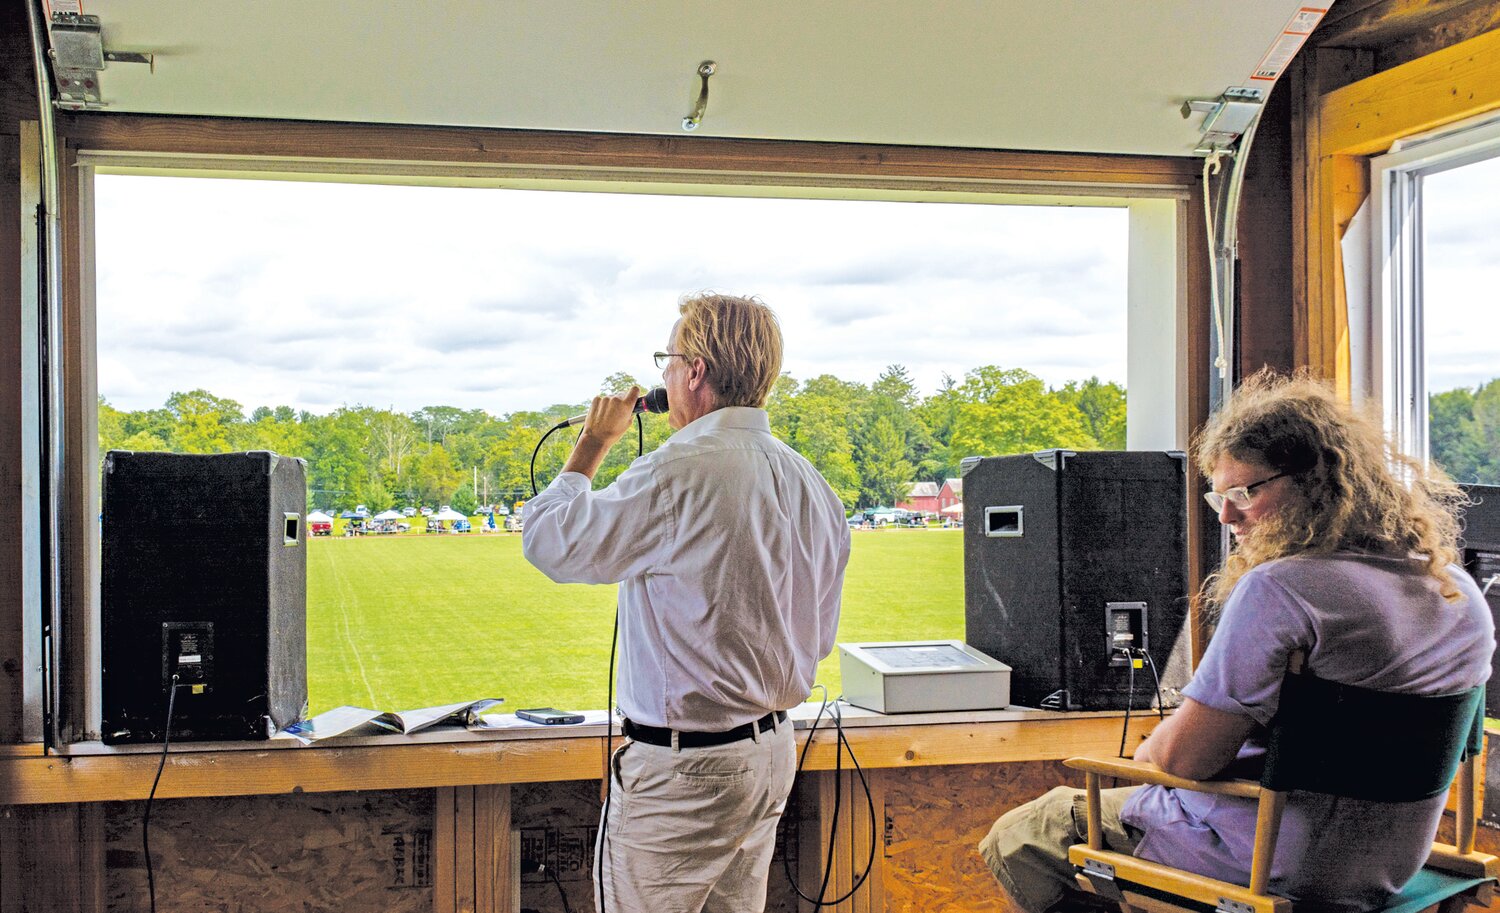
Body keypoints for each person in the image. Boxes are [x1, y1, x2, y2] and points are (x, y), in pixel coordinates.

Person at [978, 370, 1494, 913]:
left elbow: (1187, 759)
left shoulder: (1283, 588)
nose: (1226, 516)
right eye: (1217, 495)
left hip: (1272, 863)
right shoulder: (1457, 590)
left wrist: (1155, 748)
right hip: (1383, 867)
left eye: (1245, 491)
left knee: (1028, 832)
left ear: (1314, 482)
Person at [522, 292, 851, 913]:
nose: (663, 378)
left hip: (686, 774)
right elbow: (818, 633)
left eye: (668, 361)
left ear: (695, 371)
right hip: (770, 753)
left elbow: (549, 543)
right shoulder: (811, 482)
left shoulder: (676, 471)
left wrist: (591, 445)